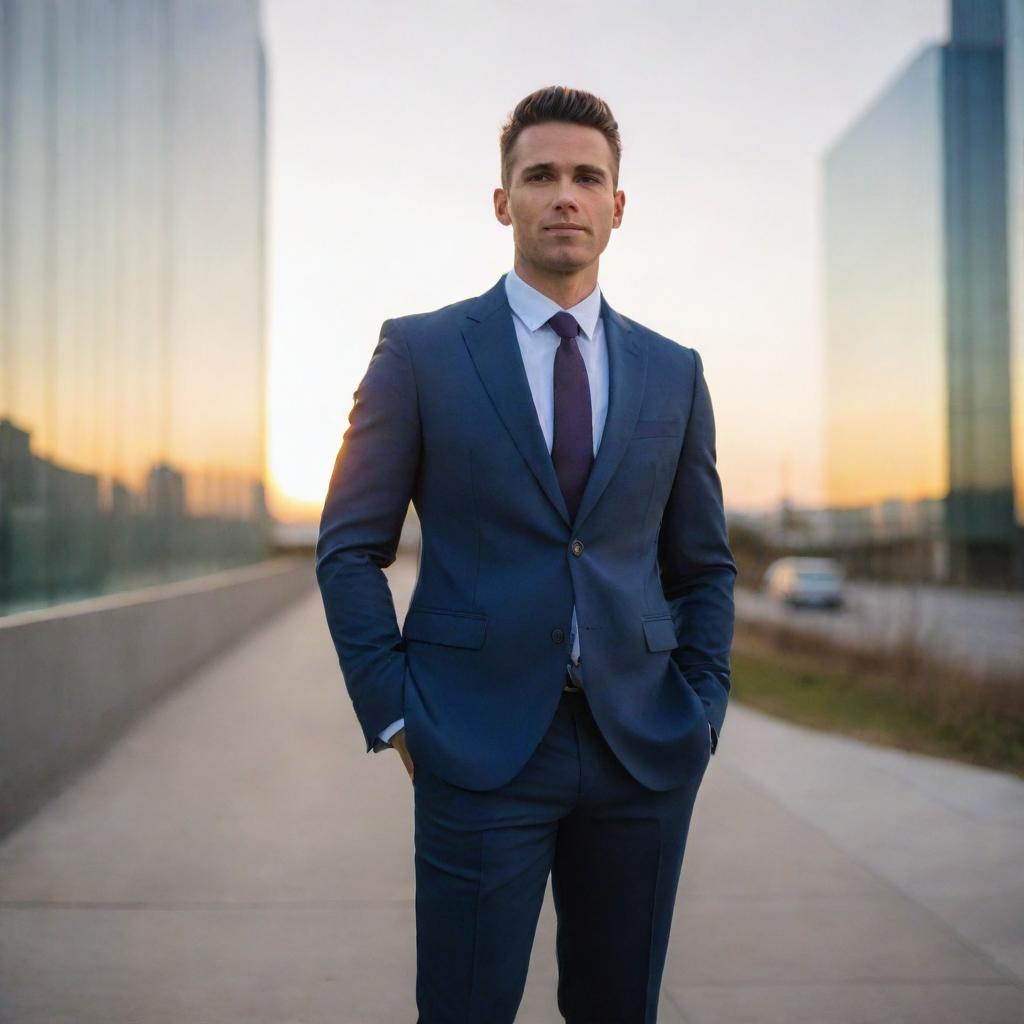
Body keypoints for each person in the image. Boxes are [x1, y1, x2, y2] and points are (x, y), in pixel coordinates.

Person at [315, 84, 736, 1024]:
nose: (565, 197)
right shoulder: (421, 353)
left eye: (588, 178)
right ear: (502, 201)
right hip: (475, 747)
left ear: (617, 207)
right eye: (540, 175)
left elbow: (703, 565)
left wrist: (703, 708)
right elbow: (348, 550)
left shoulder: (676, 371)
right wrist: (395, 713)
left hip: (644, 750)